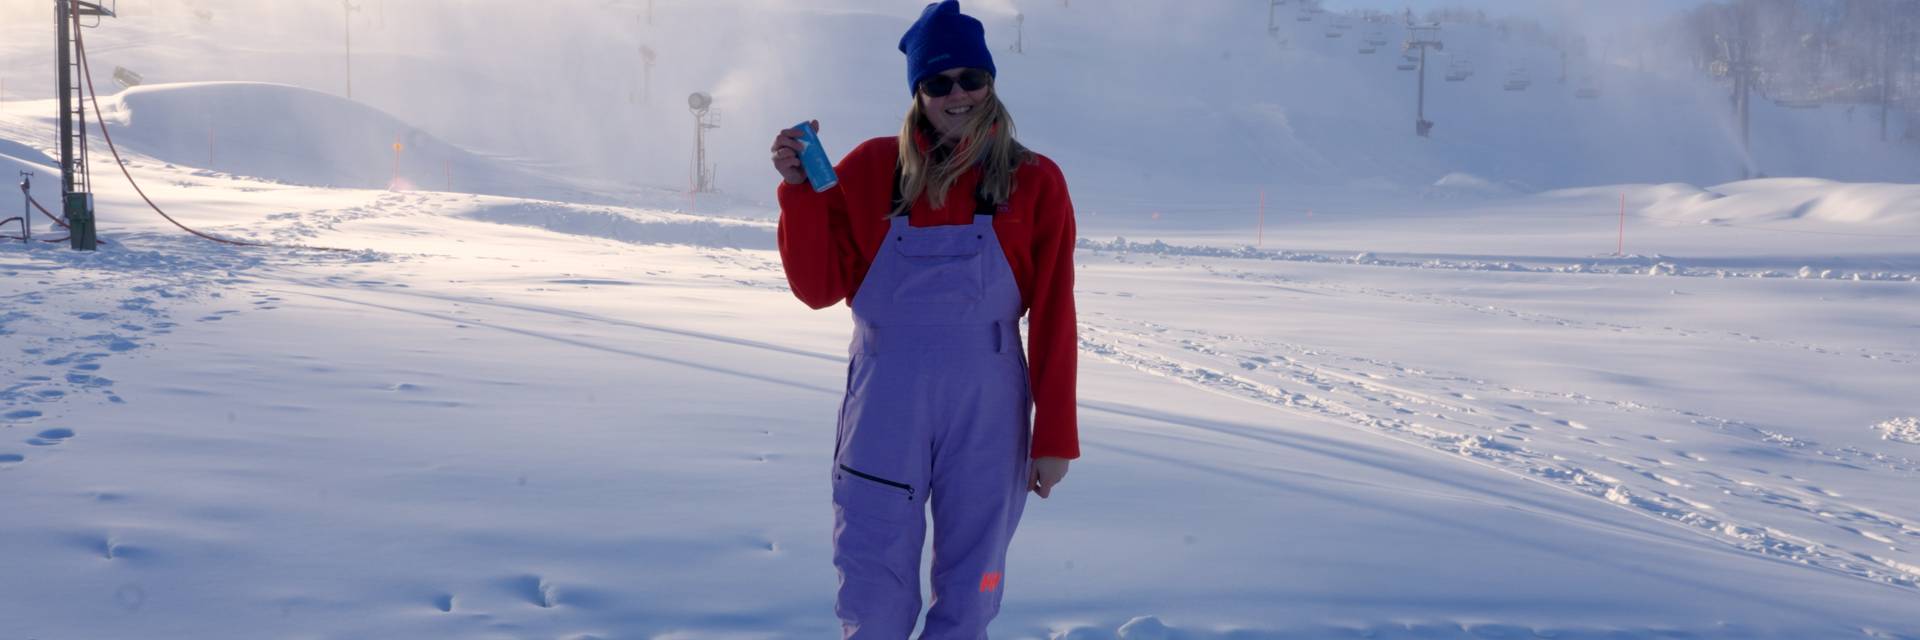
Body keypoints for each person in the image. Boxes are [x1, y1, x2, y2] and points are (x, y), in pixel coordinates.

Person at [768, 1, 1078, 636]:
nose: (956, 94)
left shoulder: (1034, 180)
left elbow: (1053, 311)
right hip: (888, 390)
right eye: (938, 81)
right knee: (872, 568)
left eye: (972, 78)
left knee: (976, 575)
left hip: (988, 395)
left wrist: (1053, 439)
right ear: (917, 90)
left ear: (992, 83)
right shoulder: (867, 170)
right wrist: (800, 191)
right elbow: (818, 288)